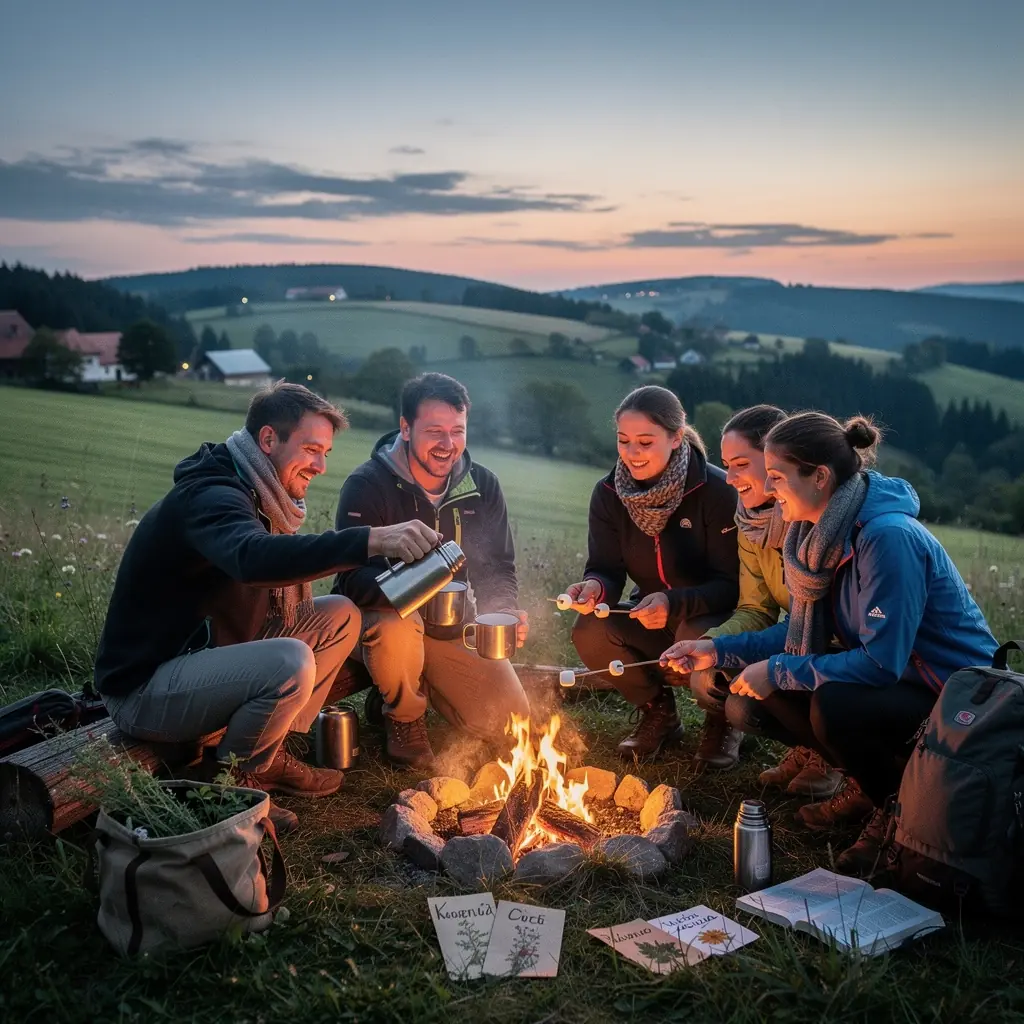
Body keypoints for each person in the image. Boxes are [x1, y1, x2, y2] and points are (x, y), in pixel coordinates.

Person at [95, 382, 440, 833]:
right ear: (268, 440)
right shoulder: (213, 496)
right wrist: (370, 539)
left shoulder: (260, 493)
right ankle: (228, 788)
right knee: (289, 661)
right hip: (146, 688)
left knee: (340, 617)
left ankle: (266, 756)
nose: (319, 465)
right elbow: (251, 558)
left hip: (201, 659)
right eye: (311, 449)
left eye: (326, 453)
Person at [663, 411, 998, 874]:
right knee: (775, 687)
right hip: (903, 681)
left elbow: (881, 663)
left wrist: (778, 669)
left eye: (777, 477)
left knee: (833, 705)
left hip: (955, 698)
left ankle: (898, 818)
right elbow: (804, 632)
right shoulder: (816, 536)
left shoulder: (886, 539)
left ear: (819, 477)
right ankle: (873, 787)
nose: (771, 489)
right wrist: (716, 650)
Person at [332, 372, 531, 769]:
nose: (448, 444)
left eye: (457, 431)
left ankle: (413, 682)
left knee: (512, 725)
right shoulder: (368, 485)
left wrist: (504, 609)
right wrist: (414, 589)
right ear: (405, 428)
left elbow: (497, 566)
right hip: (384, 620)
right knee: (395, 627)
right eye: (435, 431)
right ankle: (404, 717)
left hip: (453, 627)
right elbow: (351, 580)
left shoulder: (482, 486)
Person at [565, 385, 739, 758]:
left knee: (695, 629)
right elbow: (605, 568)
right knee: (590, 630)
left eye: (645, 442)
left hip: (712, 621)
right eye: (624, 441)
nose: (632, 453)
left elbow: (732, 587)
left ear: (676, 438)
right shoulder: (610, 494)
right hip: (652, 617)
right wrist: (595, 587)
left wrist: (673, 603)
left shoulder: (719, 492)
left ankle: (723, 720)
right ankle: (658, 712)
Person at [692, 404, 840, 790]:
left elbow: (820, 626)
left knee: (742, 705)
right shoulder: (750, 522)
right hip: (799, 645)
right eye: (726, 465)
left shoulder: (815, 523)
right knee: (710, 678)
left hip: (832, 654)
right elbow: (756, 608)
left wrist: (726, 650)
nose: (729, 478)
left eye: (741, 464)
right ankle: (810, 747)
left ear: (773, 458)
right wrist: (712, 644)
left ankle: (832, 757)